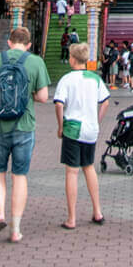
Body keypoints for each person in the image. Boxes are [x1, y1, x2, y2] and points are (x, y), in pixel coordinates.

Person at [0, 26, 50, 244]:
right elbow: (43, 97)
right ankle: (15, 229)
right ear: (29, 45)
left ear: (9, 42)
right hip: (24, 125)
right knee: (19, 175)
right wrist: (26, 95)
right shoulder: (36, 62)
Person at [54, 42, 110, 229]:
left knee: (72, 171)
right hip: (90, 129)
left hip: (73, 128)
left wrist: (60, 126)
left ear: (72, 59)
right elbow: (105, 102)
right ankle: (97, 211)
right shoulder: (95, 78)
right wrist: (97, 120)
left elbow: (59, 104)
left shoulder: (67, 79)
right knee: (89, 167)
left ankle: (72, 218)